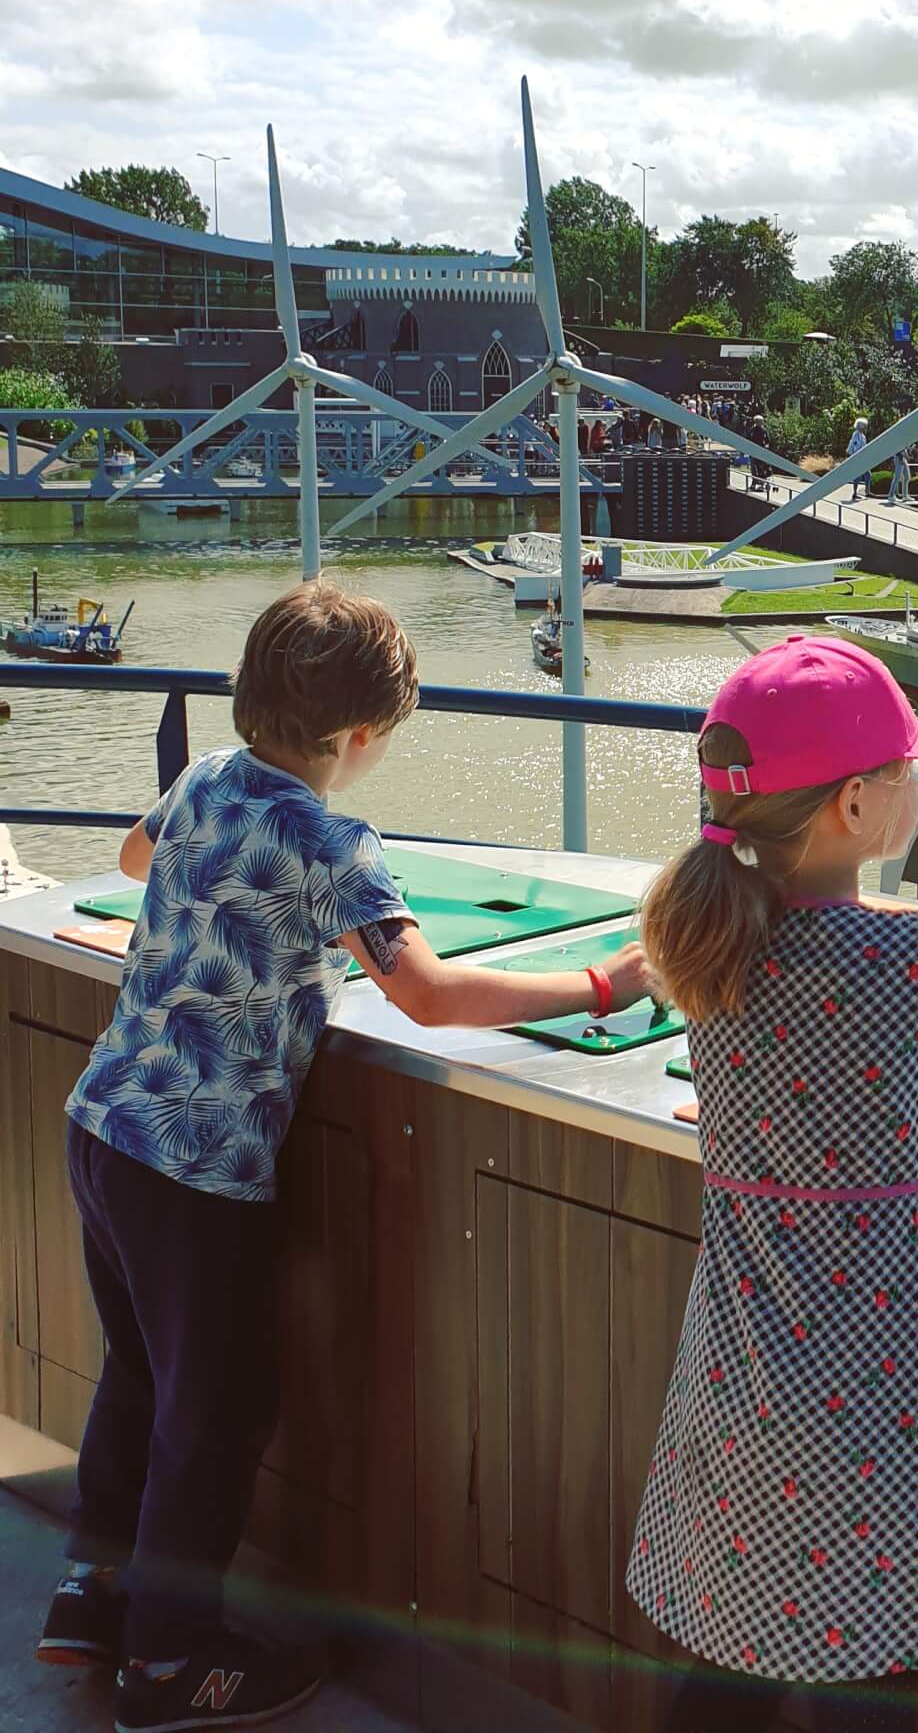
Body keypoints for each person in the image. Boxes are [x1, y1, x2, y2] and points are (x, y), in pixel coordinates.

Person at [46, 582, 649, 1729]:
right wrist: (603, 983)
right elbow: (421, 987)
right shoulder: (335, 840)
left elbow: (134, 857)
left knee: (138, 1369)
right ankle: (169, 1663)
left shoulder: (205, 778)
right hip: (197, 1169)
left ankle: (96, 1588)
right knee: (214, 1411)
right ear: (363, 736)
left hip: (106, 1123)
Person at [628, 637, 918, 1733]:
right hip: (863, 1363)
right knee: (862, 1632)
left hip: (735, 1355)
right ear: (852, 806)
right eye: (909, 773)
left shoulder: (708, 936)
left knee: (735, 1624)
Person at [846, 417, 870, 497]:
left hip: (862, 457)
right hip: (858, 457)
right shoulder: (856, 434)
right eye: (863, 425)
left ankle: (866, 491)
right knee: (858, 476)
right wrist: (856, 456)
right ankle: (855, 493)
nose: (865, 427)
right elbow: (855, 445)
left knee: (867, 474)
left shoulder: (863, 436)